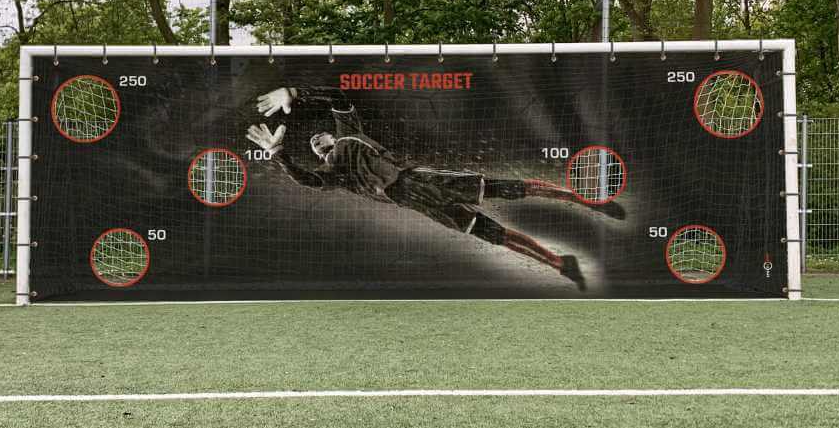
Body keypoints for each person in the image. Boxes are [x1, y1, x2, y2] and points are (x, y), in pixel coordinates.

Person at [245, 86, 623, 290]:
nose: (316, 142)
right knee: (494, 234)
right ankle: (561, 264)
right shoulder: (334, 172)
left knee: (506, 188)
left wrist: (296, 93)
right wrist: (280, 154)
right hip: (417, 202)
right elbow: (309, 180)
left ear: (331, 135)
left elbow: (339, 98)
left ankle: (581, 199)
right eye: (312, 145)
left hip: (419, 180)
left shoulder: (348, 136)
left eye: (319, 136)